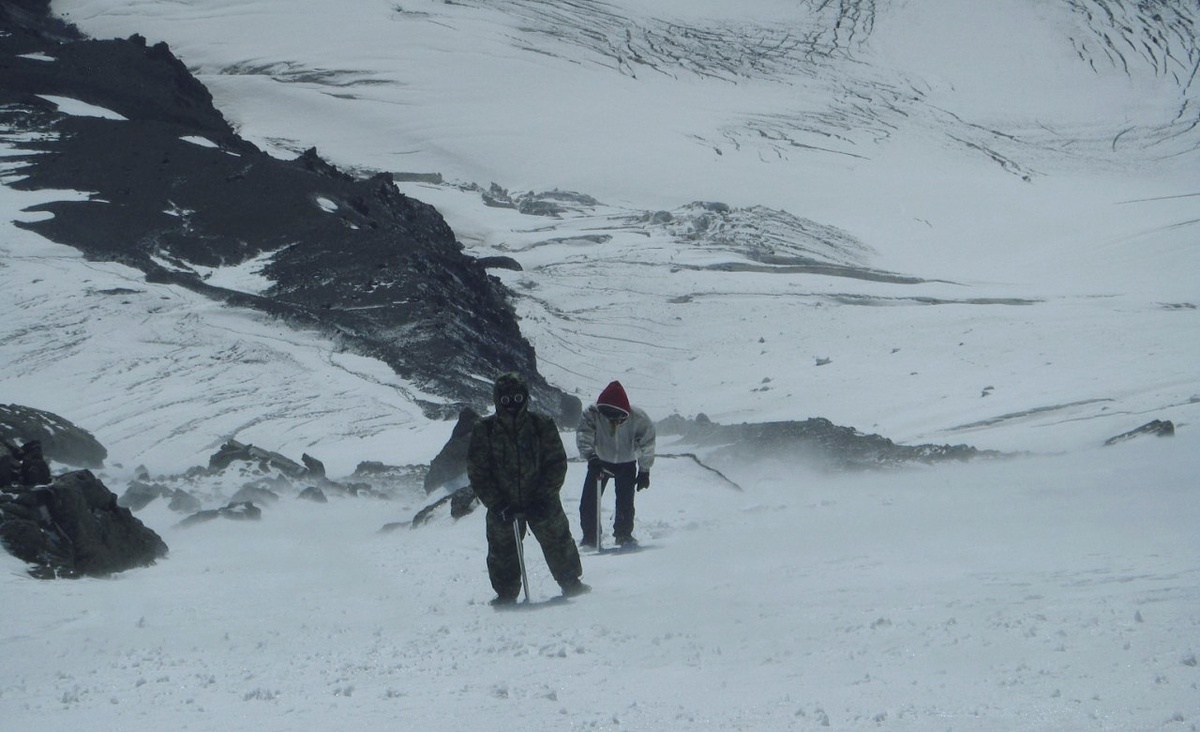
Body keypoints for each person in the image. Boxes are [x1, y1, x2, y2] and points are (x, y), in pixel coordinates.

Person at [468, 372, 590, 605]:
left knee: (558, 540)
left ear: (525, 397)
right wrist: (497, 503)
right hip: (503, 505)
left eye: (517, 398)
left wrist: (544, 496)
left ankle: (571, 584)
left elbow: (556, 463)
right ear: (497, 400)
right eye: (505, 400)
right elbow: (478, 471)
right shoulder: (484, 429)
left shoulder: (541, 424)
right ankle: (506, 595)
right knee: (502, 551)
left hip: (542, 500)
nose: (512, 405)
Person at [576, 380, 656, 547]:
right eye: (608, 414)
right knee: (589, 502)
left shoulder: (639, 418)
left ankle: (623, 534)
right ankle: (591, 537)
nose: (613, 419)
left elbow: (647, 444)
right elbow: (584, 434)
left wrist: (644, 471)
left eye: (618, 416)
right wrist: (591, 456)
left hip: (626, 462)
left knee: (625, 503)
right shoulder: (592, 414)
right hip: (599, 462)